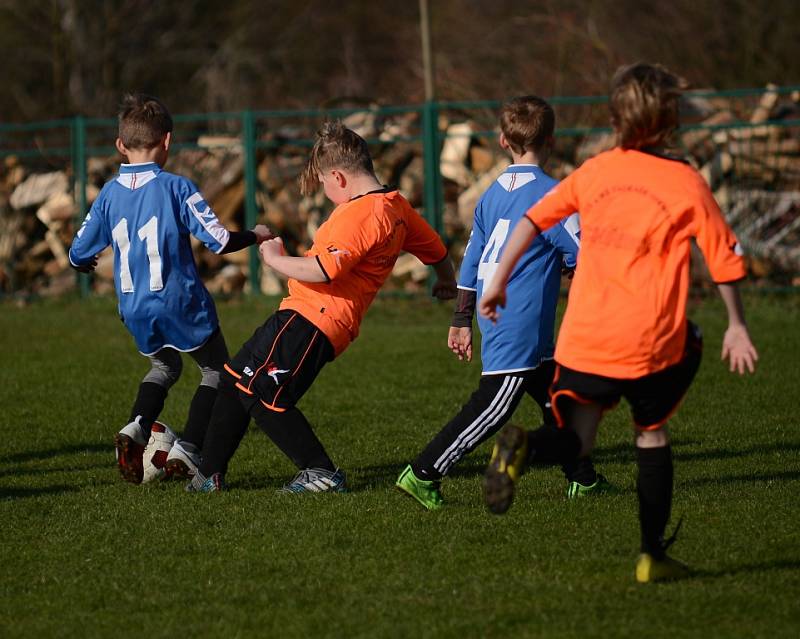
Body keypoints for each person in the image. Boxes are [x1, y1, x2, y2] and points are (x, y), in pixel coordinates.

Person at [478, 64, 758, 583]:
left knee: (577, 440)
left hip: (584, 340)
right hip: (651, 340)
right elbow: (725, 259)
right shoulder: (685, 181)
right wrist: (736, 324)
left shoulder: (594, 171)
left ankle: (527, 447)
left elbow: (533, 218)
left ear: (615, 118)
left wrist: (496, 281)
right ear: (670, 119)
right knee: (651, 433)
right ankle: (652, 554)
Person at [187, 121, 457, 493]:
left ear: (339, 177)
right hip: (301, 314)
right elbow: (436, 249)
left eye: (325, 184)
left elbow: (324, 269)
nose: (326, 193)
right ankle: (208, 474)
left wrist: (275, 259)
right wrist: (445, 279)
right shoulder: (397, 207)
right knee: (236, 381)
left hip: (315, 318)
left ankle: (321, 472)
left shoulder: (361, 214)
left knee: (265, 396)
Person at [395, 96, 609, 511]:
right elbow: (584, 250)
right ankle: (424, 472)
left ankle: (583, 480)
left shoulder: (490, 196)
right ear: (551, 140)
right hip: (518, 319)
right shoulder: (554, 195)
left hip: (499, 314)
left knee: (560, 399)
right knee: (494, 405)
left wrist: (460, 318)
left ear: (500, 140)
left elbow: (472, 259)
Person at [68, 93, 271, 484]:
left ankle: (136, 427)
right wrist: (255, 234)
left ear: (120, 145)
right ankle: (189, 448)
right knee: (215, 371)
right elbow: (219, 241)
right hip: (179, 300)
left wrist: (84, 264)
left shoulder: (108, 193)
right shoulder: (177, 187)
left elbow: (77, 253)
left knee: (164, 365)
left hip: (134, 306)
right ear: (167, 141)